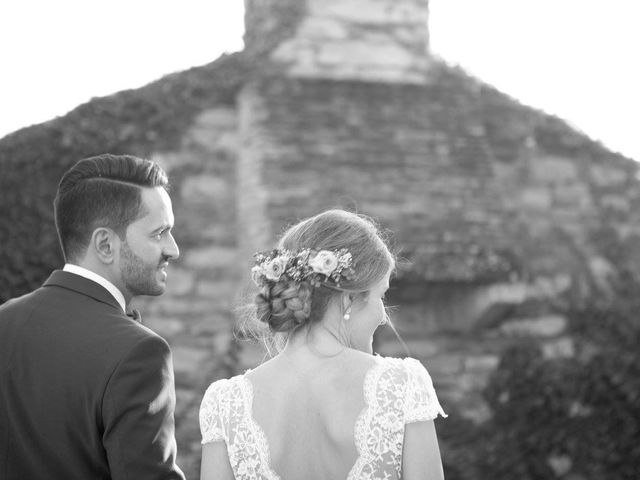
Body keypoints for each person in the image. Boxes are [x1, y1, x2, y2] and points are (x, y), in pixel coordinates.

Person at [199, 209, 446, 480]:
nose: (383, 315)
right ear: (349, 299)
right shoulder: (402, 385)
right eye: (381, 296)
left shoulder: (224, 404)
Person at [0, 154, 185, 480]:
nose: (173, 249)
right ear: (105, 244)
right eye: (159, 233)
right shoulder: (139, 352)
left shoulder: (4, 320)